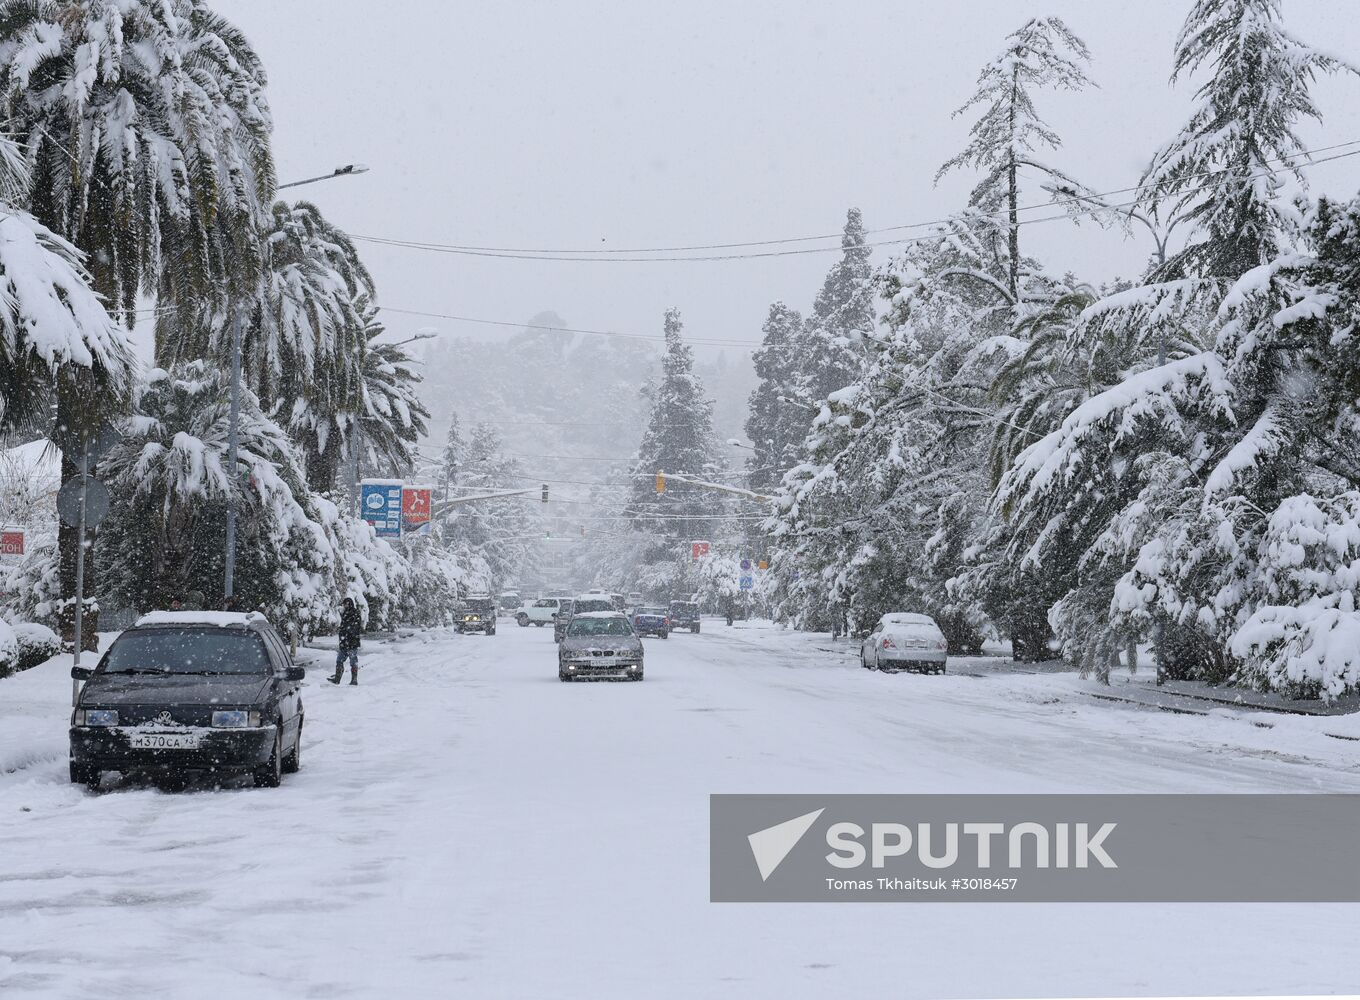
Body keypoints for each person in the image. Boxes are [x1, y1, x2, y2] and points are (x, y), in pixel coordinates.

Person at [330, 597, 363, 685]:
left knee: (353, 661)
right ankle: (337, 679)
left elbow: (355, 628)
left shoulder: (355, 614)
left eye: (345, 604)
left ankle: (354, 680)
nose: (344, 606)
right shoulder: (345, 613)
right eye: (344, 604)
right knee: (339, 660)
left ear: (349, 604)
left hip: (352, 643)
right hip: (344, 643)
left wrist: (347, 631)